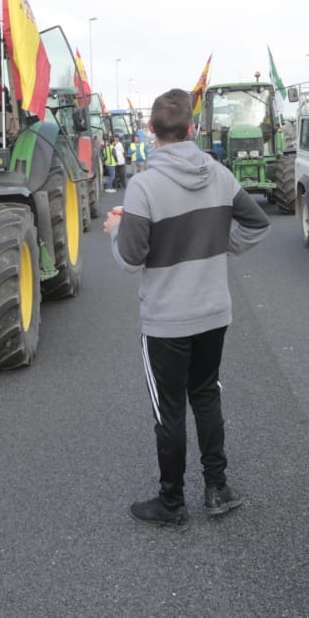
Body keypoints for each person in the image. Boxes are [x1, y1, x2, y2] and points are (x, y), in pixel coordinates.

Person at [103, 88, 271, 528]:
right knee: (206, 395)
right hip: (214, 313)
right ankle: (218, 489)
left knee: (170, 410)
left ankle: (171, 502)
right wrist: (221, 244)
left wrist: (115, 230)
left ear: (151, 130)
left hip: (166, 321)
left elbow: (131, 258)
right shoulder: (219, 174)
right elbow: (256, 222)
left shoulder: (143, 186)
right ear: (192, 129)